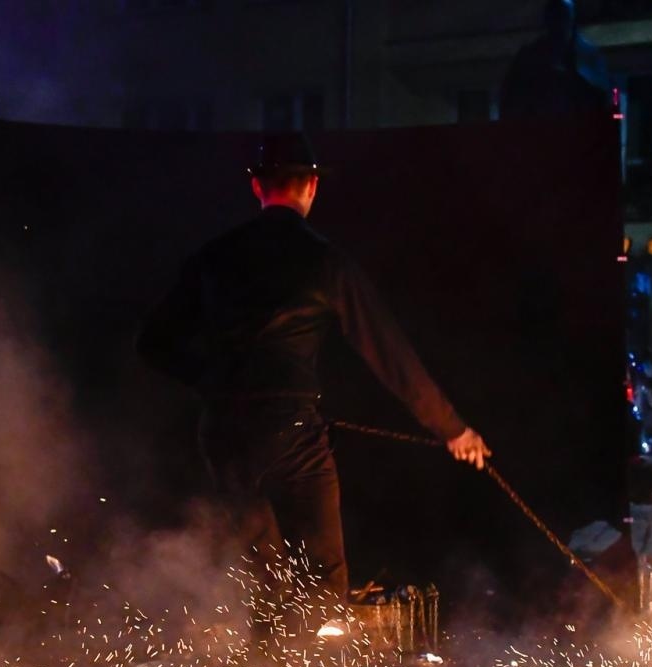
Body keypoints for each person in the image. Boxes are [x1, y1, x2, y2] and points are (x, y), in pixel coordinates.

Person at [137, 132, 490, 629]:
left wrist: (212, 380)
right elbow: (389, 353)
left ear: (258, 188)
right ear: (312, 187)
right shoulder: (325, 262)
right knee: (322, 577)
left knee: (262, 576)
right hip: (291, 435)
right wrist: (451, 428)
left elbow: (151, 342)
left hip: (224, 435)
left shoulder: (213, 258)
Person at [499, 0, 613, 120]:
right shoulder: (527, 58)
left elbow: (604, 98)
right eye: (555, 18)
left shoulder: (589, 56)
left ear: (572, 20)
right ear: (547, 21)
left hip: (579, 131)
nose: (559, 25)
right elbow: (511, 102)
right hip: (540, 131)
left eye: (563, 18)